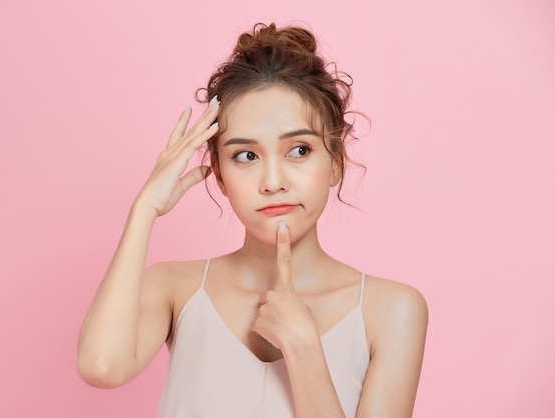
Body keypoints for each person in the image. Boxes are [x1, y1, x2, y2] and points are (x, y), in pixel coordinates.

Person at [77, 22, 428, 418]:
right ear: (221, 175)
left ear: (335, 163)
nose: (273, 182)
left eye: (298, 150)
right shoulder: (175, 290)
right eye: (246, 156)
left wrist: (303, 347)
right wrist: (144, 210)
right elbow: (101, 367)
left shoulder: (392, 311)